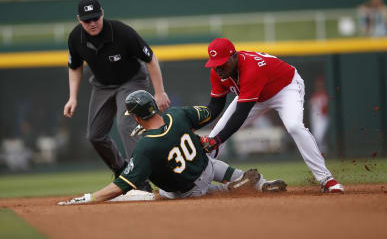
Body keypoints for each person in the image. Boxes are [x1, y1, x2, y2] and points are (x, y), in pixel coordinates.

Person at [58, 90, 286, 205]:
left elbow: (120, 186)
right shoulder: (178, 114)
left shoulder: (145, 147)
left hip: (187, 191)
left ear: (137, 118)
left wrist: (89, 198)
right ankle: (257, 183)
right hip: (206, 168)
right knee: (212, 164)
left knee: (166, 194)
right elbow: (210, 112)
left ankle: (233, 189)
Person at [199, 38, 344, 194]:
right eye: (215, 64)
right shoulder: (217, 72)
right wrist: (194, 124)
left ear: (234, 56)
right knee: (214, 135)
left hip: (285, 88)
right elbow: (215, 106)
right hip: (255, 94)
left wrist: (218, 140)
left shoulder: (251, 69)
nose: (218, 68)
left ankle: (326, 179)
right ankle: (198, 180)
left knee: (294, 126)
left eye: (222, 63)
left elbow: (240, 115)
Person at [64, 0, 170, 191]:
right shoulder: (75, 38)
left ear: (102, 13)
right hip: (102, 86)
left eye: (96, 17)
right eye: (87, 20)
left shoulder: (122, 32)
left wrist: (159, 91)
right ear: (79, 19)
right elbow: (74, 66)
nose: (92, 23)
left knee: (125, 124)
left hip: (131, 81)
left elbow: (150, 58)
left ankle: (140, 179)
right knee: (95, 135)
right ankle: (122, 171)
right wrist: (72, 97)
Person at [308, 76, 330, 154]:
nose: (319, 86)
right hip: (314, 119)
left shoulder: (324, 95)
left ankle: (323, 152)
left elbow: (325, 109)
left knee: (319, 137)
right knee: (317, 137)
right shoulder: (314, 96)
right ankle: (322, 152)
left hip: (322, 118)